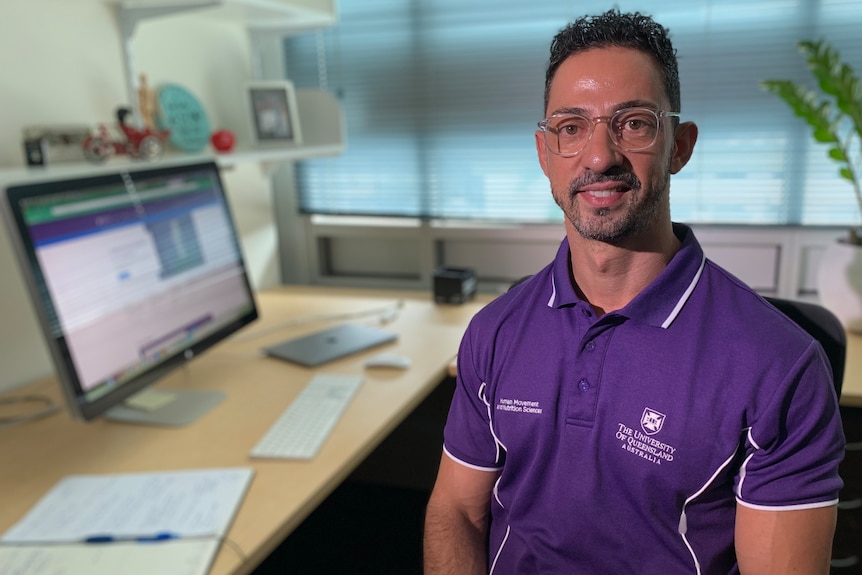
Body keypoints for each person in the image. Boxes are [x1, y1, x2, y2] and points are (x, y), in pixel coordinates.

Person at [423, 9, 845, 575]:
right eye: (571, 127)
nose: (600, 157)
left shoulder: (780, 367)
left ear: (680, 146)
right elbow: (457, 511)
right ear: (545, 153)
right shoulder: (496, 330)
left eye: (634, 123)